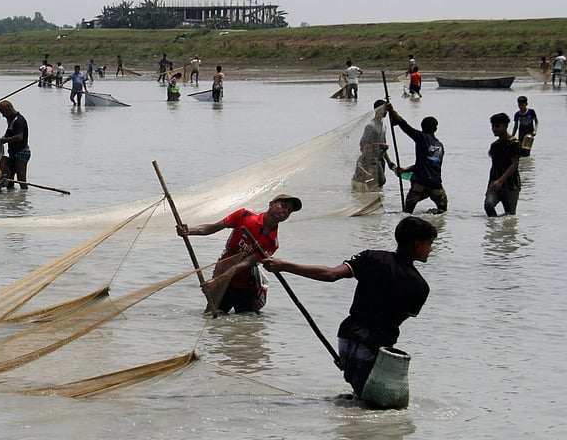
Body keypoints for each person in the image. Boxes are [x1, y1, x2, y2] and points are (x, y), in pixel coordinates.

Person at [261, 216, 437, 400]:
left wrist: (284, 266)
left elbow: (330, 274)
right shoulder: (420, 286)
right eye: (429, 243)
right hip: (374, 348)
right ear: (417, 245)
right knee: (371, 405)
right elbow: (394, 320)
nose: (431, 249)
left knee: (359, 398)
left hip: (346, 339)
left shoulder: (371, 257)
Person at [176, 194, 302, 314]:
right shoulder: (244, 216)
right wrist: (189, 231)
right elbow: (214, 227)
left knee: (248, 321)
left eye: (289, 210)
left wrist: (217, 280)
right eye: (283, 206)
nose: (285, 211)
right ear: (271, 204)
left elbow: (247, 262)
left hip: (246, 285)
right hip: (224, 278)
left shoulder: (272, 242)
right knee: (213, 317)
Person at [388, 104, 446, 213]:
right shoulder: (439, 146)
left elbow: (405, 127)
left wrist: (392, 111)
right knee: (442, 211)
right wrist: (405, 169)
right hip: (436, 185)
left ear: (422, 127)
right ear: (435, 129)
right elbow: (428, 165)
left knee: (407, 212)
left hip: (420, 184)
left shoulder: (421, 137)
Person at [352, 100, 395, 191]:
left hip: (380, 159)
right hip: (371, 161)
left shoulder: (383, 126)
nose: (386, 112)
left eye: (386, 110)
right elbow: (363, 145)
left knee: (379, 185)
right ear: (377, 110)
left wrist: (389, 162)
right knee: (377, 182)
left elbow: (384, 146)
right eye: (384, 109)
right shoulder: (370, 126)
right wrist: (379, 146)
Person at [485, 112, 521, 216]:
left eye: (497, 126)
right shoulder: (494, 146)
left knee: (509, 215)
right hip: (495, 183)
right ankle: (493, 226)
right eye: (493, 126)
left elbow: (514, 164)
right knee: (488, 205)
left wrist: (501, 181)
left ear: (505, 126)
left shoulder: (514, 143)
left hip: (511, 184)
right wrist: (490, 184)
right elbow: (494, 166)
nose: (494, 129)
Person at [0, 100, 30, 189]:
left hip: (21, 152)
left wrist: (4, 140)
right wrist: (0, 140)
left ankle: (23, 195)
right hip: (13, 152)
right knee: (9, 179)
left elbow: (19, 137)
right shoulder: (12, 121)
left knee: (21, 179)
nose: (3, 115)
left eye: (3, 113)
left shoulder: (18, 120)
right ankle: (11, 196)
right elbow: (9, 134)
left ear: (8, 109)